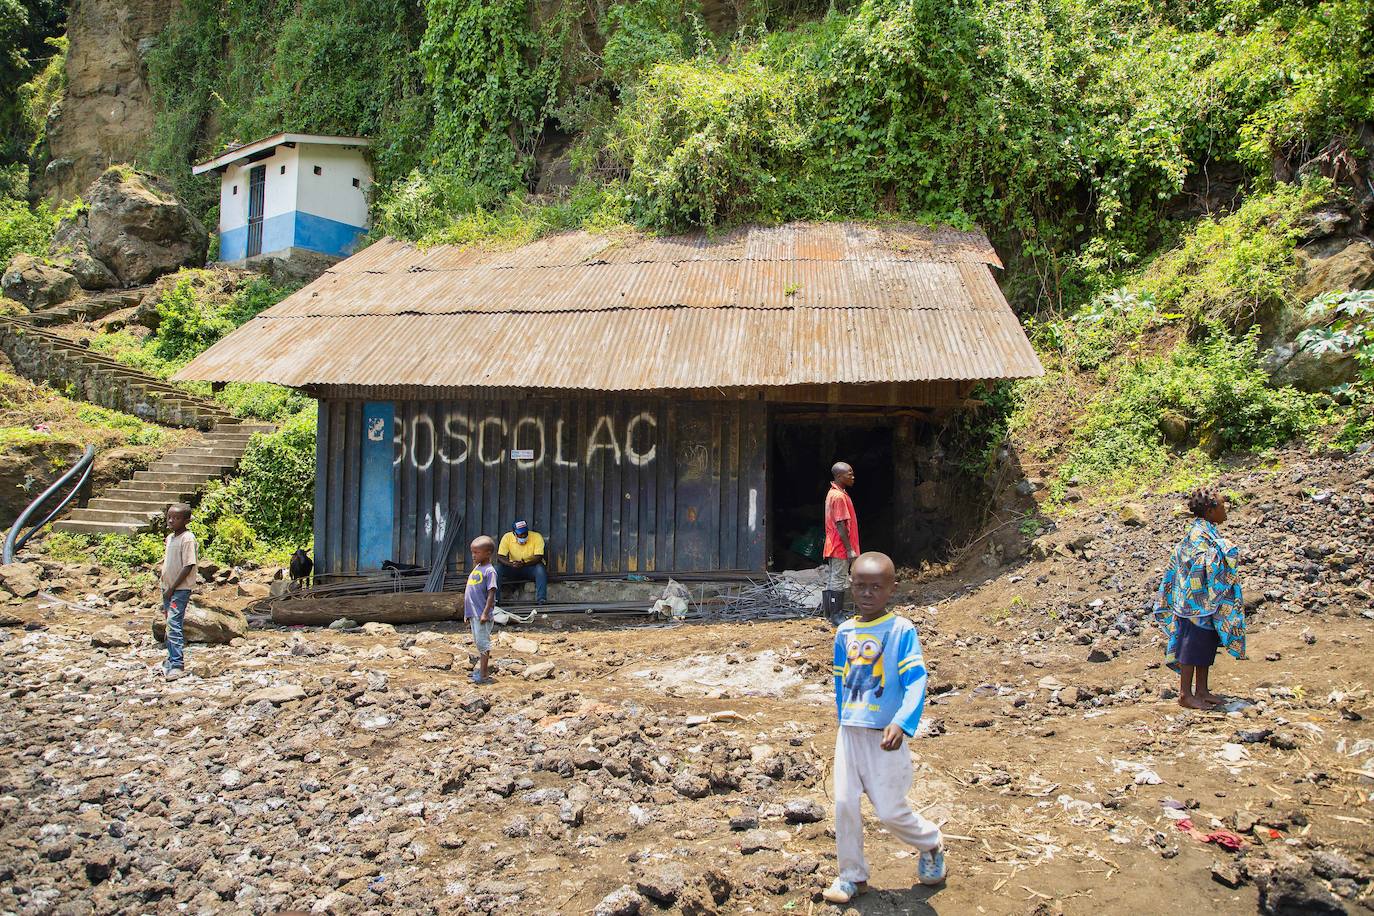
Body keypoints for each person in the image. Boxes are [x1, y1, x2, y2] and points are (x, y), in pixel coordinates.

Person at [823, 551, 945, 904]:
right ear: (850, 586)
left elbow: (916, 681)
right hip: (850, 732)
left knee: (890, 810)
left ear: (892, 588)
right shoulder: (845, 631)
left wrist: (903, 723)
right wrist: (844, 718)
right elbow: (840, 679)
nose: (866, 594)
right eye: (860, 586)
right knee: (844, 804)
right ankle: (851, 875)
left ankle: (930, 843)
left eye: (876, 587)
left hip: (885, 735)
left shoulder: (901, 630)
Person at [1153, 486, 1246, 709]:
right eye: (1223, 506)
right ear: (1210, 510)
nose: (1226, 510)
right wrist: (1226, 550)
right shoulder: (1198, 534)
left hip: (1204, 602)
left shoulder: (1206, 530)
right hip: (1193, 603)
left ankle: (1202, 690)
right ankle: (1185, 694)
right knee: (1191, 648)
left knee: (1205, 645)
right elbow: (1200, 563)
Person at [159, 503, 197, 680]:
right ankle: (170, 658)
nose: (171, 520)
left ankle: (177, 664)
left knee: (174, 625)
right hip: (168, 588)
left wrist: (172, 588)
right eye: (169, 517)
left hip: (179, 590)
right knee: (170, 624)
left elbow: (188, 565)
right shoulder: (170, 538)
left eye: (176, 518)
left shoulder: (187, 538)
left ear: (187, 520)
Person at [822, 462, 859, 625]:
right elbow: (840, 524)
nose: (853, 477)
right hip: (839, 545)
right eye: (849, 474)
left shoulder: (835, 493)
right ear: (838, 476)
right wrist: (849, 549)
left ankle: (830, 613)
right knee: (839, 578)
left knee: (833, 578)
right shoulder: (838, 496)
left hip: (834, 543)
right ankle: (837, 616)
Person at [465, 535, 499, 684]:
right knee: (478, 642)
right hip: (474, 613)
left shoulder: (490, 571)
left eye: (476, 553)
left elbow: (492, 592)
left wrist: (486, 612)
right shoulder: (478, 568)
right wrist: (466, 613)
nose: (473, 556)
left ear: (488, 553)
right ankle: (481, 671)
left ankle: (484, 675)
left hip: (481, 614)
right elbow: (471, 592)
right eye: (472, 552)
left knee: (482, 643)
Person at [496, 520, 548, 605]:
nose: (523, 536)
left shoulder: (537, 537)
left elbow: (538, 557)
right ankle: (495, 600)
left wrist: (525, 564)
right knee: (497, 569)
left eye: (525, 533)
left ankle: (541, 600)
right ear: (514, 533)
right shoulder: (507, 537)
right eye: (520, 534)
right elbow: (500, 556)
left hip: (530, 567)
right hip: (513, 567)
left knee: (540, 569)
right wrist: (511, 564)